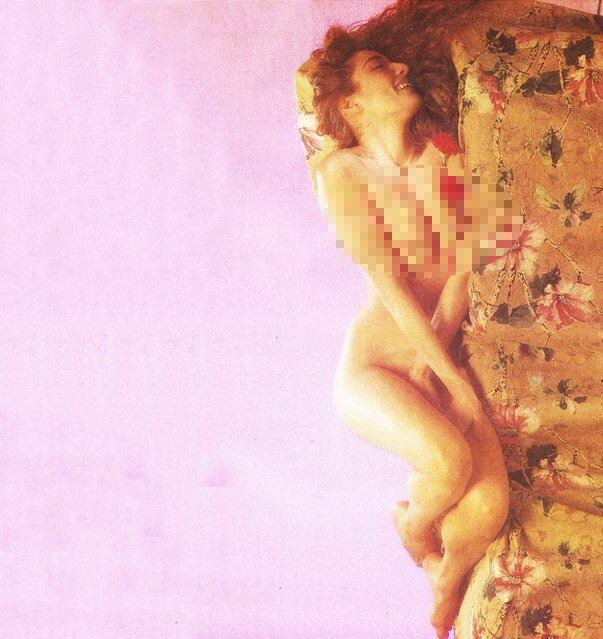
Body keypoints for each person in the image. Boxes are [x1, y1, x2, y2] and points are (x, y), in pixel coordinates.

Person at [307, 5, 525, 636]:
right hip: (375, 369)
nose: (400, 70)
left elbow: (463, 272)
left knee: (487, 509)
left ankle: (443, 573)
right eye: (380, 66)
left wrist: (445, 368)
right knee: (450, 464)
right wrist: (454, 385)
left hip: (438, 355)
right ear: (350, 105)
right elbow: (393, 291)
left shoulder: (448, 156)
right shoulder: (339, 173)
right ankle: (414, 526)